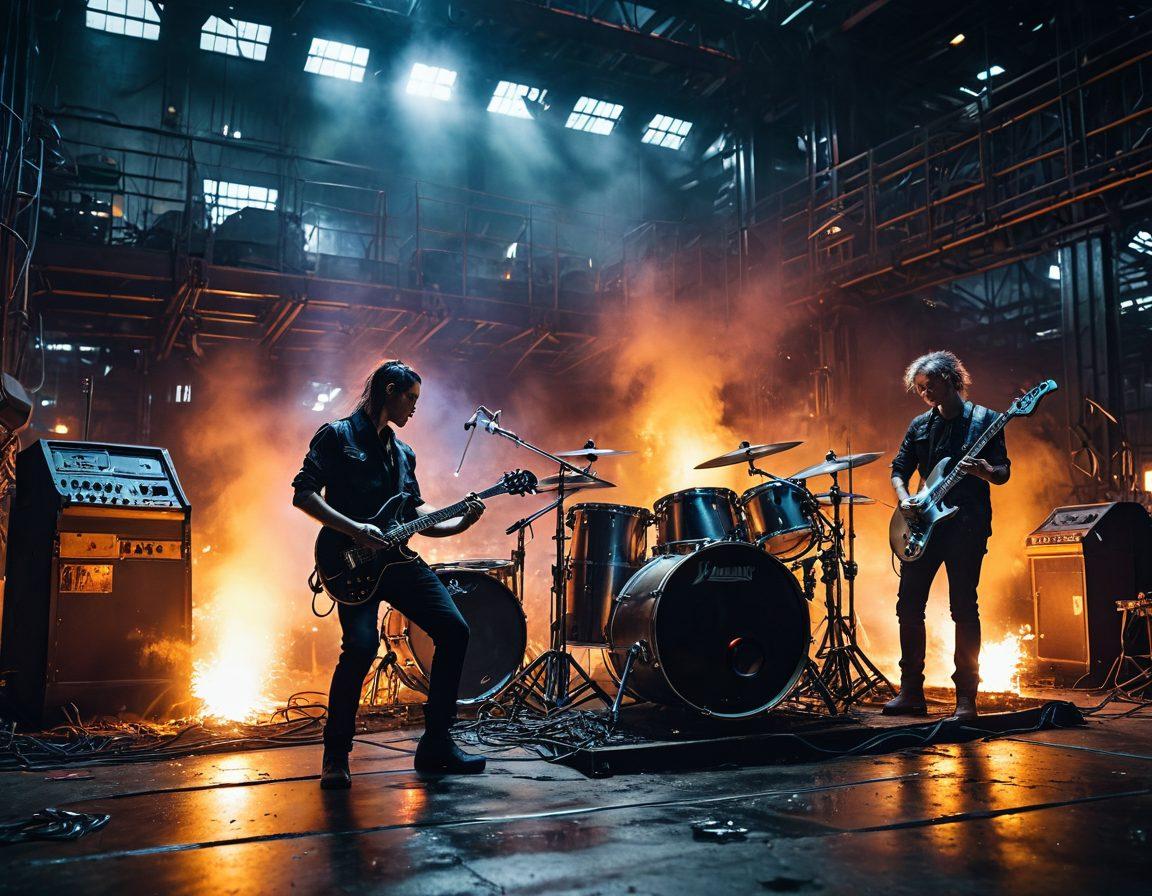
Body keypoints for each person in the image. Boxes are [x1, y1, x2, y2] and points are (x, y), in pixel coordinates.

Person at [292, 360, 487, 787]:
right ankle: (335, 755)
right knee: (360, 648)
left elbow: (417, 514)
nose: (415, 408)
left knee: (455, 630)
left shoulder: (403, 454)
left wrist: (461, 522)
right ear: (390, 391)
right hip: (349, 562)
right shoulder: (337, 435)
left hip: (397, 561)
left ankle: (436, 743)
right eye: (411, 398)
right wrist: (354, 529)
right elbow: (303, 494)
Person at [885, 351, 1010, 722]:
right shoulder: (919, 425)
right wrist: (906, 499)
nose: (924, 392)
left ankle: (966, 699)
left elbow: (1003, 473)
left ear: (950, 379)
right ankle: (911, 692)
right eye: (919, 388)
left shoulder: (985, 421)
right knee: (908, 606)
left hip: (966, 526)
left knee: (963, 608)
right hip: (924, 524)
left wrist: (985, 469)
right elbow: (898, 469)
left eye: (929, 385)